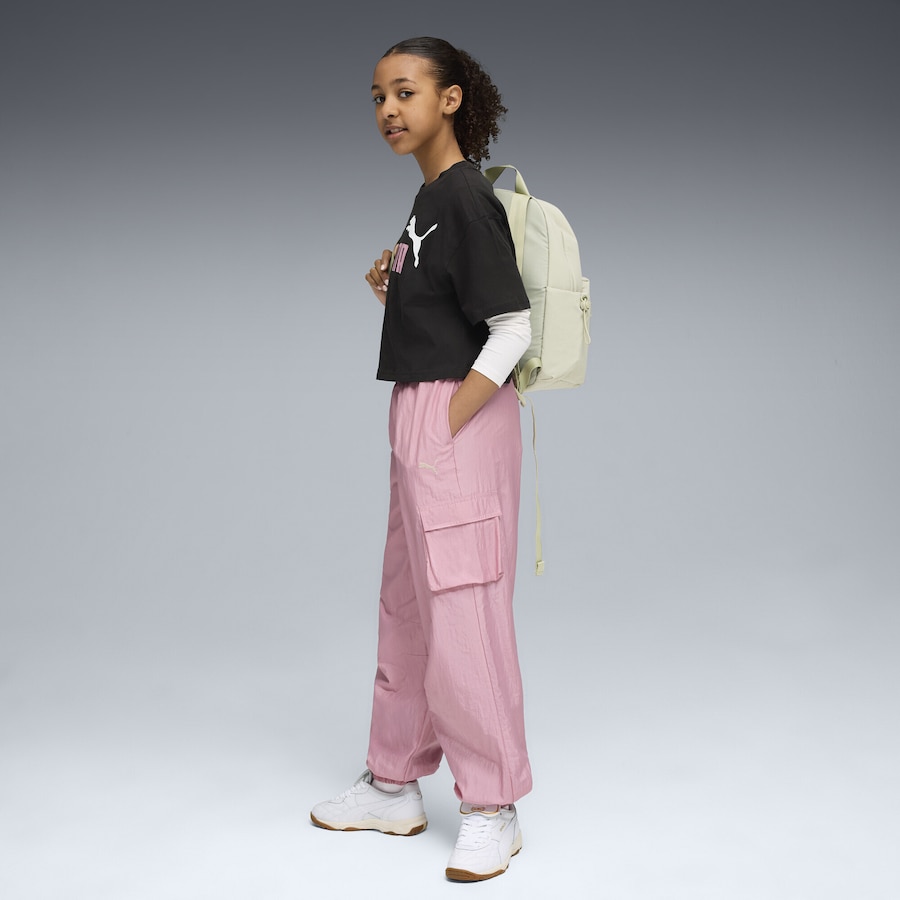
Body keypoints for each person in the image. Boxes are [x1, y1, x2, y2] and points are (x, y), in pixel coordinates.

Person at [310, 36, 533, 883]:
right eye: (377, 97)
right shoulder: (428, 201)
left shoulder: (466, 197)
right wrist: (391, 290)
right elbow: (446, 317)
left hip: (455, 419)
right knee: (406, 603)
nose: (387, 110)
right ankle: (393, 784)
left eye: (404, 92)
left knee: (464, 611)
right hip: (423, 414)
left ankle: (492, 807)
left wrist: (445, 423)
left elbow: (511, 328)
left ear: (451, 99)